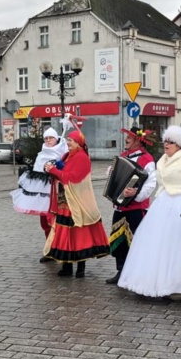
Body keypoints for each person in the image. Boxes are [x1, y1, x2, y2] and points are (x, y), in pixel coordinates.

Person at [118, 126, 181, 300]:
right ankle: (154, 282)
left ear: (179, 144)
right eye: (165, 141)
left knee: (177, 246)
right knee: (157, 243)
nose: (166, 144)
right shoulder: (162, 159)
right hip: (162, 203)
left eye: (170, 142)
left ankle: (178, 285)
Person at [43, 118, 110, 278]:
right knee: (65, 235)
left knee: (79, 234)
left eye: (71, 141)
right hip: (64, 201)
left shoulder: (81, 158)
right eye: (67, 140)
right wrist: (52, 167)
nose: (68, 143)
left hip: (77, 202)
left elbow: (71, 178)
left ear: (79, 143)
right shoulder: (68, 155)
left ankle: (80, 268)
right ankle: (66, 266)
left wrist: (55, 171)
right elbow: (63, 170)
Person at [105, 127, 156, 284]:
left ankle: (136, 273)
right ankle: (121, 271)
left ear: (138, 141)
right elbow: (114, 174)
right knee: (119, 241)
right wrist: (111, 172)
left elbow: (151, 184)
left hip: (136, 209)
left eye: (129, 137)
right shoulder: (123, 156)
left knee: (136, 242)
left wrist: (135, 193)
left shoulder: (147, 160)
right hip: (120, 207)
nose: (126, 139)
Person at [9, 127, 67, 263]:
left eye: (51, 138)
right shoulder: (41, 153)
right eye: (46, 138)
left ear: (56, 138)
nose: (48, 141)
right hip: (41, 195)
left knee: (58, 223)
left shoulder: (63, 152)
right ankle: (49, 249)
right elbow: (37, 170)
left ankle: (60, 248)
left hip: (57, 194)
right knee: (45, 222)